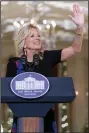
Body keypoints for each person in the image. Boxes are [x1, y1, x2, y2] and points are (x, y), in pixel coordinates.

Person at [5, 4, 84, 133]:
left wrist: (80, 27)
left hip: (46, 119)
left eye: (38, 35)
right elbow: (8, 92)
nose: (38, 38)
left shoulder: (47, 57)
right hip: (21, 120)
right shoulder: (13, 64)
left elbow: (75, 49)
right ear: (23, 42)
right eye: (32, 36)